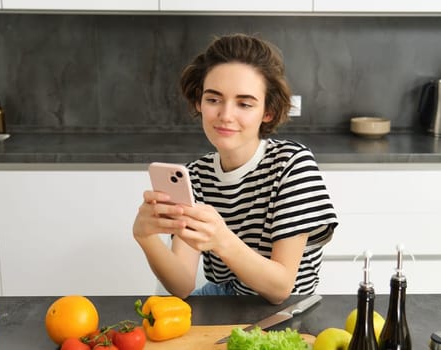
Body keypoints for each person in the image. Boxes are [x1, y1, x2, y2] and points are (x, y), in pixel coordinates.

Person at [132, 33, 338, 305]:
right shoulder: (196, 175)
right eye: (213, 99)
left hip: (287, 308)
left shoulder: (292, 164)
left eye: (244, 103)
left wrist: (221, 239)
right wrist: (146, 238)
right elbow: (182, 286)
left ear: (268, 112)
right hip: (224, 301)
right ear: (198, 102)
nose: (225, 115)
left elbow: (280, 288)